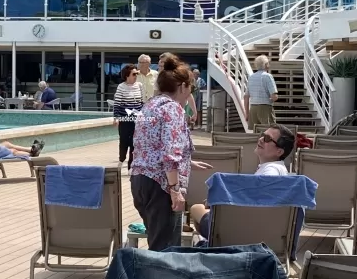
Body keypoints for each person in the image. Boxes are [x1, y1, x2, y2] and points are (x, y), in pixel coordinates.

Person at [128, 55, 198, 251]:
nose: (190, 93)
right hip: (161, 185)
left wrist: (188, 162)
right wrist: (175, 191)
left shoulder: (150, 105)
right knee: (166, 250)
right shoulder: (173, 109)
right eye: (190, 88)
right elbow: (169, 153)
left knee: (157, 244)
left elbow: (150, 145)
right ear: (182, 87)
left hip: (141, 181)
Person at [188, 125, 295, 240]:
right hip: (254, 228)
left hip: (240, 231)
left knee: (196, 208)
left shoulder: (271, 171)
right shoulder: (278, 169)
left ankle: (213, 243)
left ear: (279, 151)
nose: (261, 139)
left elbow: (260, 202)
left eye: (267, 139)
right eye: (262, 135)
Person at [112, 64, 143, 164]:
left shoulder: (139, 86)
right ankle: (121, 159)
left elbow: (142, 102)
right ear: (127, 75)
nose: (135, 76)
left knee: (134, 142)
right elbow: (117, 104)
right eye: (133, 74)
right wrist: (116, 118)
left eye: (136, 74)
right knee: (124, 140)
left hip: (136, 119)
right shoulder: (121, 87)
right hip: (124, 119)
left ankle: (131, 164)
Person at [247, 55, 278, 130]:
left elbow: (246, 97)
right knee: (269, 131)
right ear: (266, 65)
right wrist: (272, 99)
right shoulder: (268, 76)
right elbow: (274, 96)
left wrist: (247, 113)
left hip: (253, 108)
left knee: (256, 132)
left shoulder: (251, 77)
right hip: (265, 108)